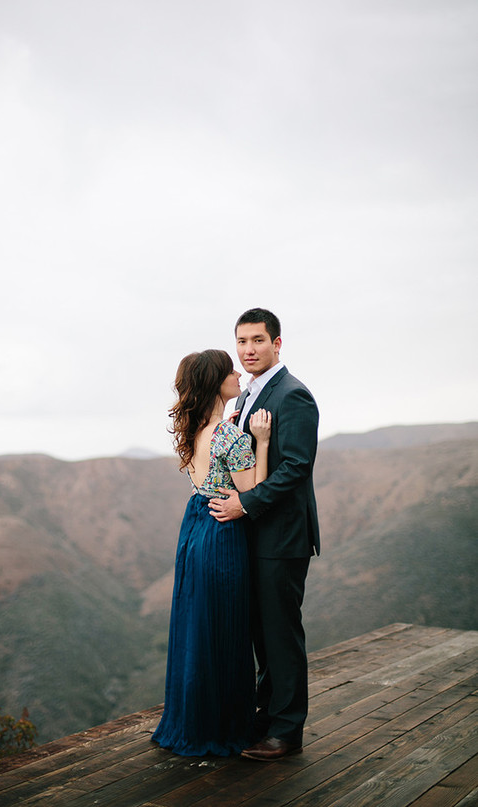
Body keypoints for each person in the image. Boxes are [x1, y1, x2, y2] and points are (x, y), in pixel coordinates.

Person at [209, 308, 320, 762]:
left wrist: (245, 503)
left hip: (281, 537)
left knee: (281, 635)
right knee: (261, 634)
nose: (248, 350)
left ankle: (287, 731)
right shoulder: (247, 396)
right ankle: (266, 717)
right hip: (252, 536)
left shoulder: (293, 395)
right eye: (242, 341)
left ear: (277, 343)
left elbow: (296, 467)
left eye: (258, 340)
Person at [151, 349, 272, 756]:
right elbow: (254, 491)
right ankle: (222, 726)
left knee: (197, 627)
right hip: (223, 533)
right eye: (228, 370)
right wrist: (261, 442)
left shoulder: (196, 429)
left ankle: (192, 720)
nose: (238, 373)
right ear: (215, 382)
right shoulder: (231, 437)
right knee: (225, 628)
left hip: (195, 529)